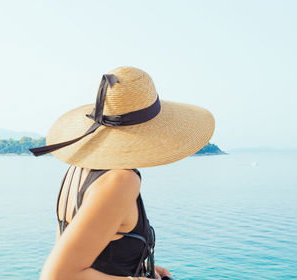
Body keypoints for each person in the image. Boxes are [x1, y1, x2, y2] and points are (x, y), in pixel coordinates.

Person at [29, 66, 215, 280]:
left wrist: (137, 267)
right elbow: (58, 276)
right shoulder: (122, 179)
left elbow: (87, 253)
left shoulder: (80, 168)